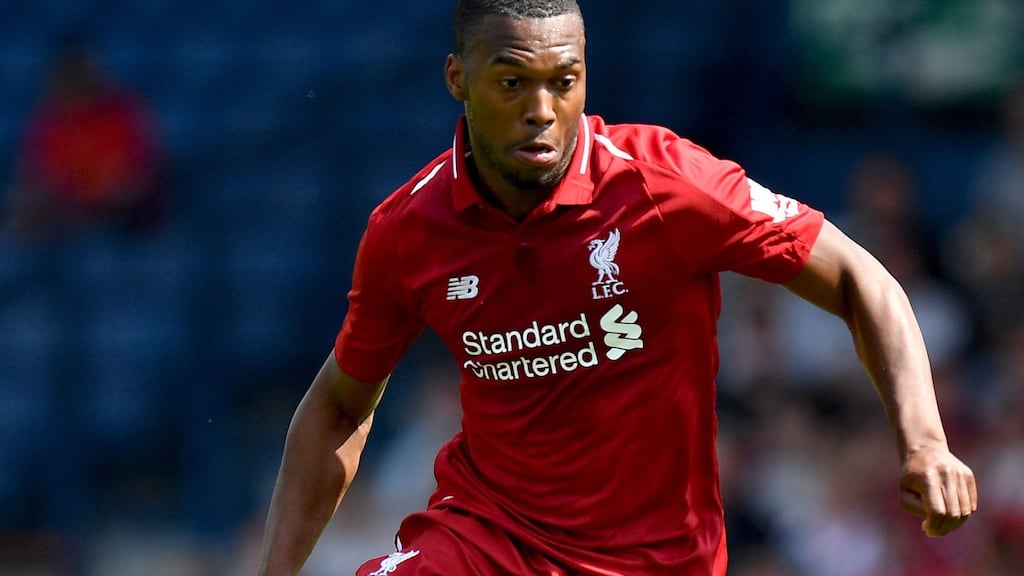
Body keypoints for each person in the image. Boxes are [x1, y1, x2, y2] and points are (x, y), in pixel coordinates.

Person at [257, 2, 978, 575]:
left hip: (659, 561)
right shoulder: (408, 230)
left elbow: (859, 277)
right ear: (457, 79)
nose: (542, 109)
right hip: (485, 543)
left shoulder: (664, 184)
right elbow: (339, 403)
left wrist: (924, 442)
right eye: (512, 82)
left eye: (564, 80)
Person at [3, 39, 165, 243]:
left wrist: (97, 191)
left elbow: (138, 176)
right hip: (66, 216)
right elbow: (37, 178)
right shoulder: (48, 120)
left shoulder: (122, 114)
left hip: (123, 215)